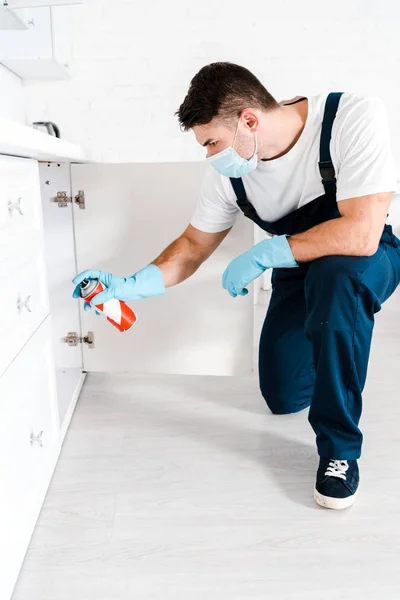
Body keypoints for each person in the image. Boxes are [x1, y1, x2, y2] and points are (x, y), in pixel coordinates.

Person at [72, 62, 400, 510]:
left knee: (336, 283)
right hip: (299, 268)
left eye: (211, 141)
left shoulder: (351, 118)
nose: (209, 154)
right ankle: (334, 340)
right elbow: (191, 246)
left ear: (249, 120)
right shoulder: (231, 174)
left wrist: (265, 253)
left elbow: (360, 233)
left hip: (366, 257)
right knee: (282, 396)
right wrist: (129, 285)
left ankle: (340, 450)